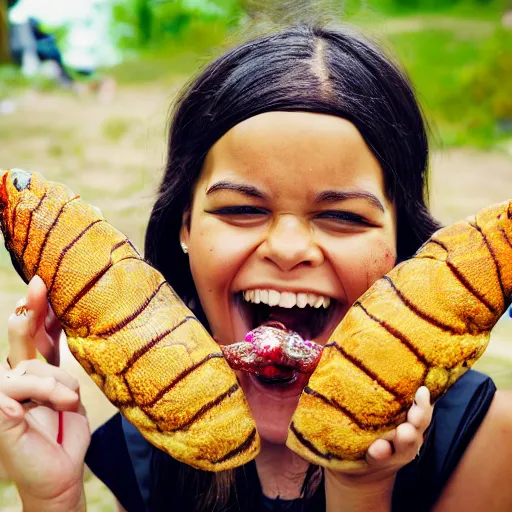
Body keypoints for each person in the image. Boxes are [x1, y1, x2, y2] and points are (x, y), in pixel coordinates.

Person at [1, 23, 512, 512]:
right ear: (184, 226)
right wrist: (51, 498)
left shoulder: (487, 439)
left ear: (403, 241)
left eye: (342, 215)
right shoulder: (145, 442)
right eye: (241, 209)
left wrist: (361, 488)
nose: (288, 249)